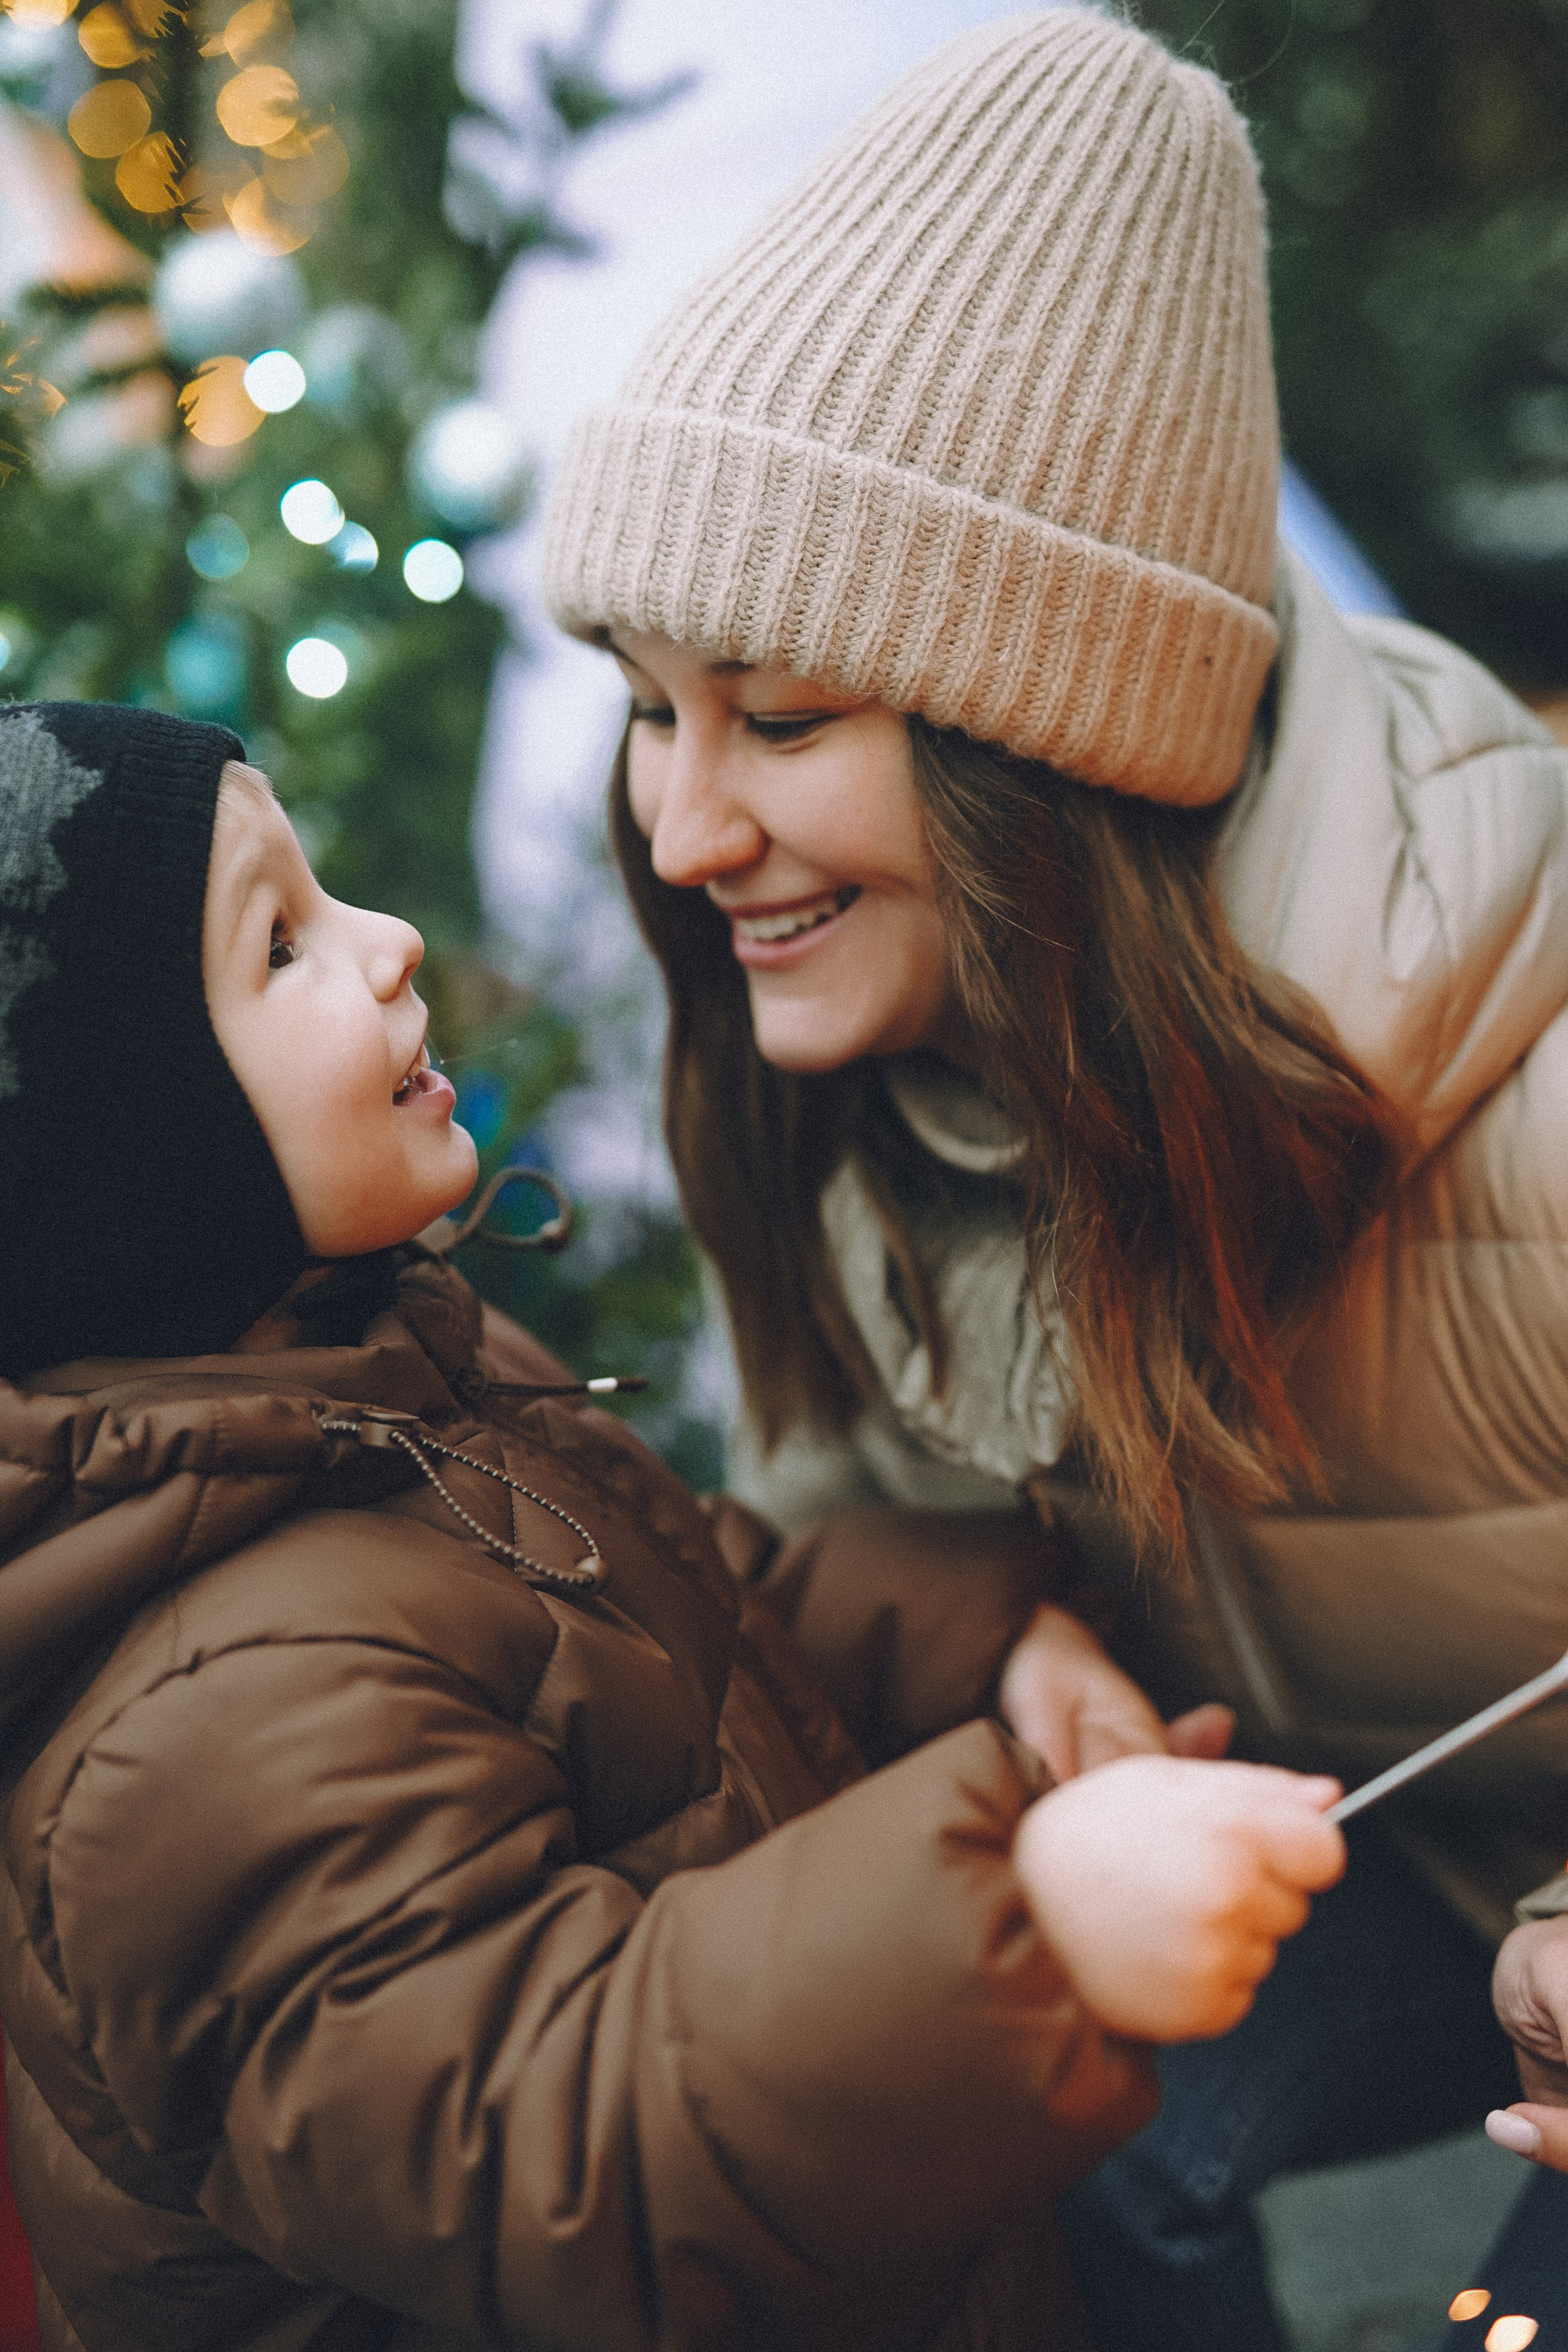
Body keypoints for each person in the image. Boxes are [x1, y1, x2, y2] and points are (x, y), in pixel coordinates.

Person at [540, 7, 1568, 2345]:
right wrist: (1008, 1627)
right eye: (640, 700)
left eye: (781, 718)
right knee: (1049, 2116)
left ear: (1058, 738)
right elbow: (824, 1512)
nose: (683, 833)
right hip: (1352, 1867)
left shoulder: (1532, 1095)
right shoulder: (844, 1063)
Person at [0, 699, 1346, 2352]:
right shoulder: (185, 1749)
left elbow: (671, 1616)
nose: (389, 940)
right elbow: (563, 2139)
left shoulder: (374, 1369)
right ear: (128, 1159)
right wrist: (1030, 1924)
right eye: (279, 945)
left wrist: (985, 1645)